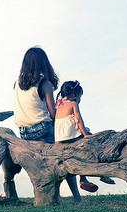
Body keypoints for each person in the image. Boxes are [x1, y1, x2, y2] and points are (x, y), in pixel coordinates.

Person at [13, 46, 83, 201]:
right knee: (66, 150)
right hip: (42, 129)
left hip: (23, 132)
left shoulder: (16, 83)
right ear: (43, 63)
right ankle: (77, 196)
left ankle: (57, 195)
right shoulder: (44, 83)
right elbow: (53, 114)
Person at [55, 80, 115, 192]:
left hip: (60, 139)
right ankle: (103, 173)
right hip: (72, 138)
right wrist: (86, 134)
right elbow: (78, 120)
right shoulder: (73, 104)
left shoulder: (59, 105)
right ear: (74, 95)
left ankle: (84, 179)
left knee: (79, 154)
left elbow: (65, 123)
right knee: (94, 144)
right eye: (80, 96)